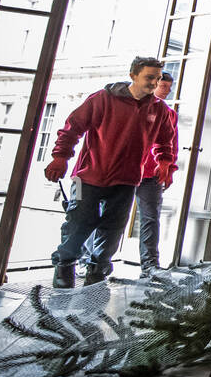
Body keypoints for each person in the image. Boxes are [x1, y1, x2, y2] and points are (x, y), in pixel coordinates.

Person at [44, 56, 176, 289]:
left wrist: (164, 163)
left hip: (126, 179)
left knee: (113, 227)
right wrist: (60, 157)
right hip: (88, 175)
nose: (154, 83)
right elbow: (72, 128)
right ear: (133, 75)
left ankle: (98, 269)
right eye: (149, 77)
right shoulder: (103, 99)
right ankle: (64, 264)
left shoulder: (159, 110)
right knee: (79, 221)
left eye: (157, 78)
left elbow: (165, 141)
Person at [134, 71, 177, 275]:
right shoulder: (135, 108)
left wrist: (168, 168)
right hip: (128, 170)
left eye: (170, 87)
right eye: (164, 86)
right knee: (109, 217)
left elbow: (171, 144)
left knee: (150, 218)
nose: (167, 91)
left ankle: (150, 264)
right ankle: (90, 259)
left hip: (152, 174)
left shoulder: (169, 114)